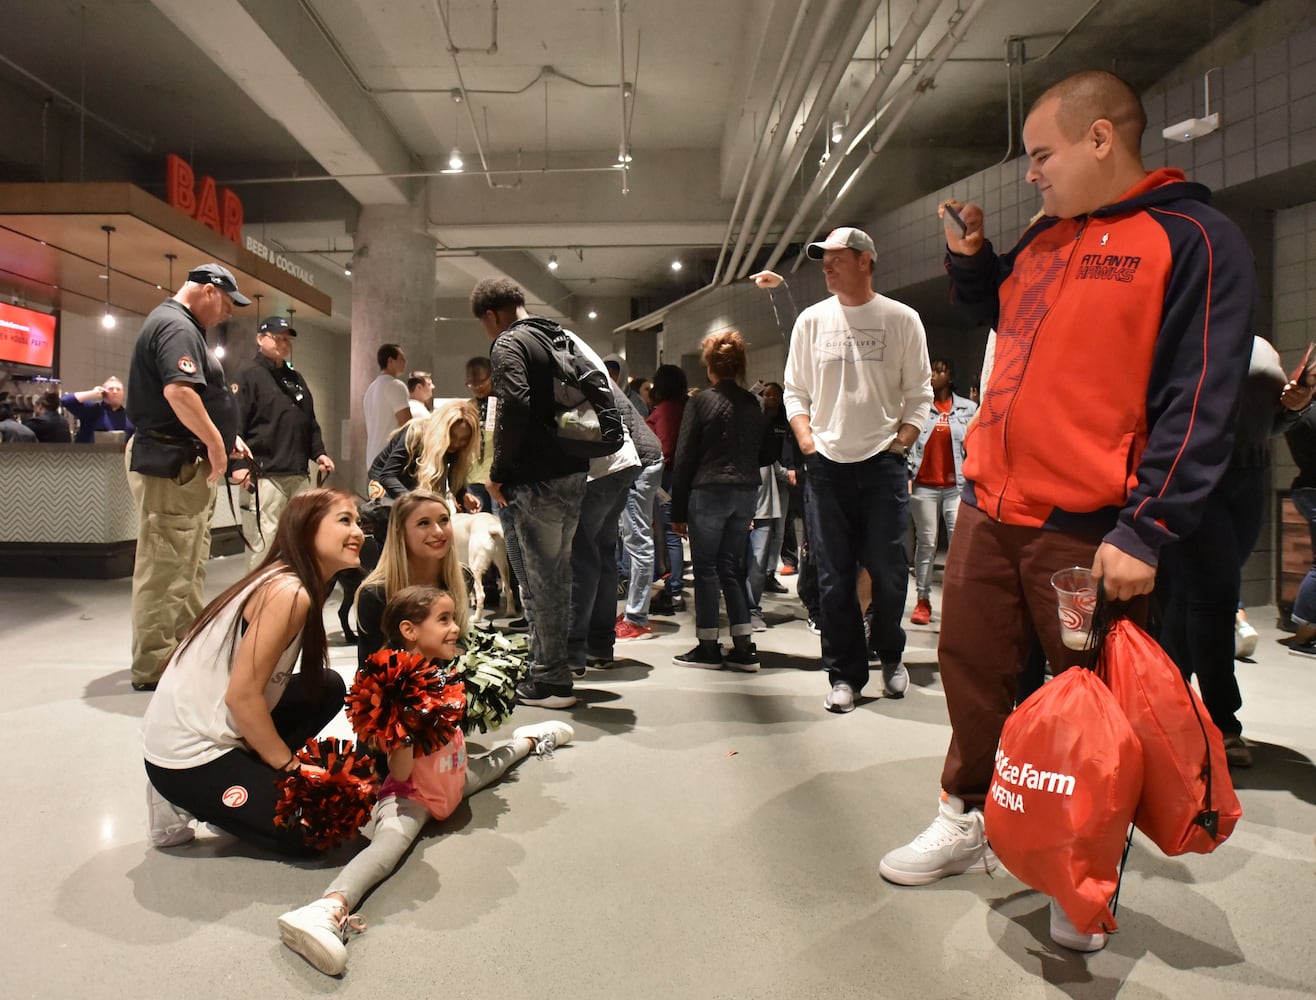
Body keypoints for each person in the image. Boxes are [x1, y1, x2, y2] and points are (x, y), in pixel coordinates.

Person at [877, 72, 1255, 956]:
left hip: (1087, 527)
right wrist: (974, 261)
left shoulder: (1194, 238)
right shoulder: (1047, 238)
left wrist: (1148, 526)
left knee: (1089, 703)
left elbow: (1202, 396)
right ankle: (967, 815)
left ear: (1100, 138)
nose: (1032, 173)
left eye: (1042, 153)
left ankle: (1080, 863)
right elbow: (1000, 311)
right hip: (991, 506)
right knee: (972, 672)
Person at [277, 584, 573, 977]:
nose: (455, 627)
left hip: (453, 779)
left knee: (495, 765)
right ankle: (327, 909)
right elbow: (399, 772)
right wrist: (405, 729)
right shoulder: (394, 691)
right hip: (413, 795)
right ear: (410, 630)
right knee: (387, 850)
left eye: (453, 618)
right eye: (444, 620)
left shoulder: (440, 674)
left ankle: (531, 739)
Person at [141, 488, 361, 853]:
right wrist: (291, 767)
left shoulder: (292, 581)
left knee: (325, 686)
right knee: (314, 829)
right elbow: (242, 698)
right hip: (188, 756)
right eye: (344, 520)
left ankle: (244, 784)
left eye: (358, 522)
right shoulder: (288, 592)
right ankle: (182, 800)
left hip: (224, 730)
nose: (358, 532)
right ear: (307, 529)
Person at [780, 226, 933, 714]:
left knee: (888, 570)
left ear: (866, 260)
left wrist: (902, 442)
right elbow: (794, 391)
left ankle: (890, 653)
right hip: (826, 465)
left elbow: (920, 393)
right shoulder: (811, 321)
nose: (826, 266)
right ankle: (845, 673)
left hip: (883, 463)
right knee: (833, 575)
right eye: (823, 258)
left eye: (837, 257)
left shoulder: (902, 319)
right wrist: (808, 442)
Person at [1158, 337, 1306, 769]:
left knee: (1192, 598)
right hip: (1197, 478)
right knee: (1216, 599)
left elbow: (1267, 423)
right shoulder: (1187, 334)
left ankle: (1167, 705)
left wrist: (1292, 408)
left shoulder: (1261, 347)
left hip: (1250, 477)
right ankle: (1223, 720)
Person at [125, 262, 252, 692]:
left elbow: (201, 398)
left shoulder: (185, 327)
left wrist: (227, 438)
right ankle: (154, 662)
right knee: (166, 564)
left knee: (187, 562)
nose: (229, 313)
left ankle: (180, 648)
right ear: (209, 290)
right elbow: (179, 392)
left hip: (182, 459)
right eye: (228, 303)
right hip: (170, 460)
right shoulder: (176, 326)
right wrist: (216, 443)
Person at [472, 277, 589, 710]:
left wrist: (497, 472)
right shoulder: (557, 336)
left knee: (540, 583)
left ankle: (551, 679)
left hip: (536, 479)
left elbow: (515, 404)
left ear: (490, 314)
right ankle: (548, 667)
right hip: (572, 471)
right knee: (556, 577)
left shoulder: (508, 343)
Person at [671, 331, 774, 670]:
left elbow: (684, 457)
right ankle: (744, 647)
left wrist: (678, 510)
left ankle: (708, 646)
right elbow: (766, 452)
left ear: (710, 366)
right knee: (732, 568)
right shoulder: (753, 403)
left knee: (706, 570)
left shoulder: (700, 402)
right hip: (746, 492)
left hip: (709, 491)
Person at [230, 316, 334, 569]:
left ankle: (292, 590)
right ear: (260, 339)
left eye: (287, 340)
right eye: (277, 338)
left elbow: (308, 420)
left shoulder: (295, 378)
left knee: (299, 540)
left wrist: (319, 453)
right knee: (264, 542)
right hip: (263, 474)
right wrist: (237, 466)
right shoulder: (247, 374)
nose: (283, 344)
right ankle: (260, 593)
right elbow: (234, 423)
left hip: (297, 474)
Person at [354, 489, 470, 669]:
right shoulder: (375, 595)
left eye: (444, 520)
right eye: (424, 523)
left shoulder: (462, 577)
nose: (438, 531)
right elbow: (369, 673)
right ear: (400, 532)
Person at [907, 359, 976, 625]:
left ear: (950, 377)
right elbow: (909, 442)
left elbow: (974, 444)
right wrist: (907, 474)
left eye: (939, 371)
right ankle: (923, 600)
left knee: (958, 545)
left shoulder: (968, 408)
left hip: (955, 488)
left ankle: (956, 601)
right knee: (926, 544)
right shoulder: (920, 407)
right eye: (931, 371)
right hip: (924, 485)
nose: (933, 376)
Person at [616, 381, 664, 642]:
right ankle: (634, 614)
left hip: (640, 464)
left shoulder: (588, 385)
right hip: (642, 461)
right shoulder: (597, 383)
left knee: (638, 542)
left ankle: (637, 620)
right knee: (636, 540)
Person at [368, 399, 481, 510]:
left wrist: (463, 496)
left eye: (464, 439)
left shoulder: (455, 449)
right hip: (383, 488)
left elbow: (454, 476)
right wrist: (413, 502)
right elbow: (387, 476)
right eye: (452, 436)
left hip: (412, 491)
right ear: (443, 431)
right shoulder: (416, 433)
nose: (456, 443)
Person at [744, 382, 791, 633]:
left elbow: (775, 466)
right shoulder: (735, 440)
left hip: (763, 507)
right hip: (741, 508)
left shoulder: (768, 436)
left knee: (758, 564)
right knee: (739, 563)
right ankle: (742, 610)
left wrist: (793, 475)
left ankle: (751, 610)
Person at [646, 364, 689, 615]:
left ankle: (674, 590)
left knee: (671, 535)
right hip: (674, 477)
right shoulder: (681, 408)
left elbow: (665, 448)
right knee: (672, 534)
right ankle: (673, 589)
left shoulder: (666, 410)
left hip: (666, 478)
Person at [363, 343, 409, 470]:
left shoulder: (370, 389)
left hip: (372, 459)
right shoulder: (396, 386)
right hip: (390, 460)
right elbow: (408, 425)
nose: (405, 362)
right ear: (390, 361)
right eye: (401, 358)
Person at [62, 376, 134, 443]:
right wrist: (93, 393)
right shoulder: (92, 410)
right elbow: (66, 400)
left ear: (123, 394)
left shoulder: (129, 417)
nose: (115, 392)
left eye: (118, 389)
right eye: (111, 389)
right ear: (103, 392)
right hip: (90, 452)